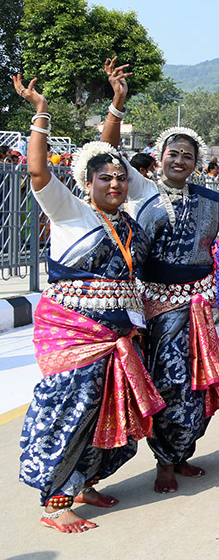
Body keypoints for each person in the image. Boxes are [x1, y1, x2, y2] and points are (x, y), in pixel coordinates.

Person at [14, 73, 159, 533]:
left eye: (120, 177)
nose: (115, 183)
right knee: (70, 412)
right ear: (87, 181)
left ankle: (85, 480)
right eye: (105, 177)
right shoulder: (68, 211)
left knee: (108, 408)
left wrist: (117, 105)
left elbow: (107, 151)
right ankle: (55, 503)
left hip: (119, 334)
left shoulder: (131, 221)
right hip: (73, 333)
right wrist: (41, 111)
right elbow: (38, 171)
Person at [102, 59, 219, 493]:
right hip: (157, 308)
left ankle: (181, 455)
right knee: (169, 382)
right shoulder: (142, 189)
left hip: (201, 306)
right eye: (173, 153)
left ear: (197, 162)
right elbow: (105, 155)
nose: (179, 160)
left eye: (188, 155)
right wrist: (118, 105)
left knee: (200, 386)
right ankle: (163, 461)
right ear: (160, 158)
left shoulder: (208, 196)